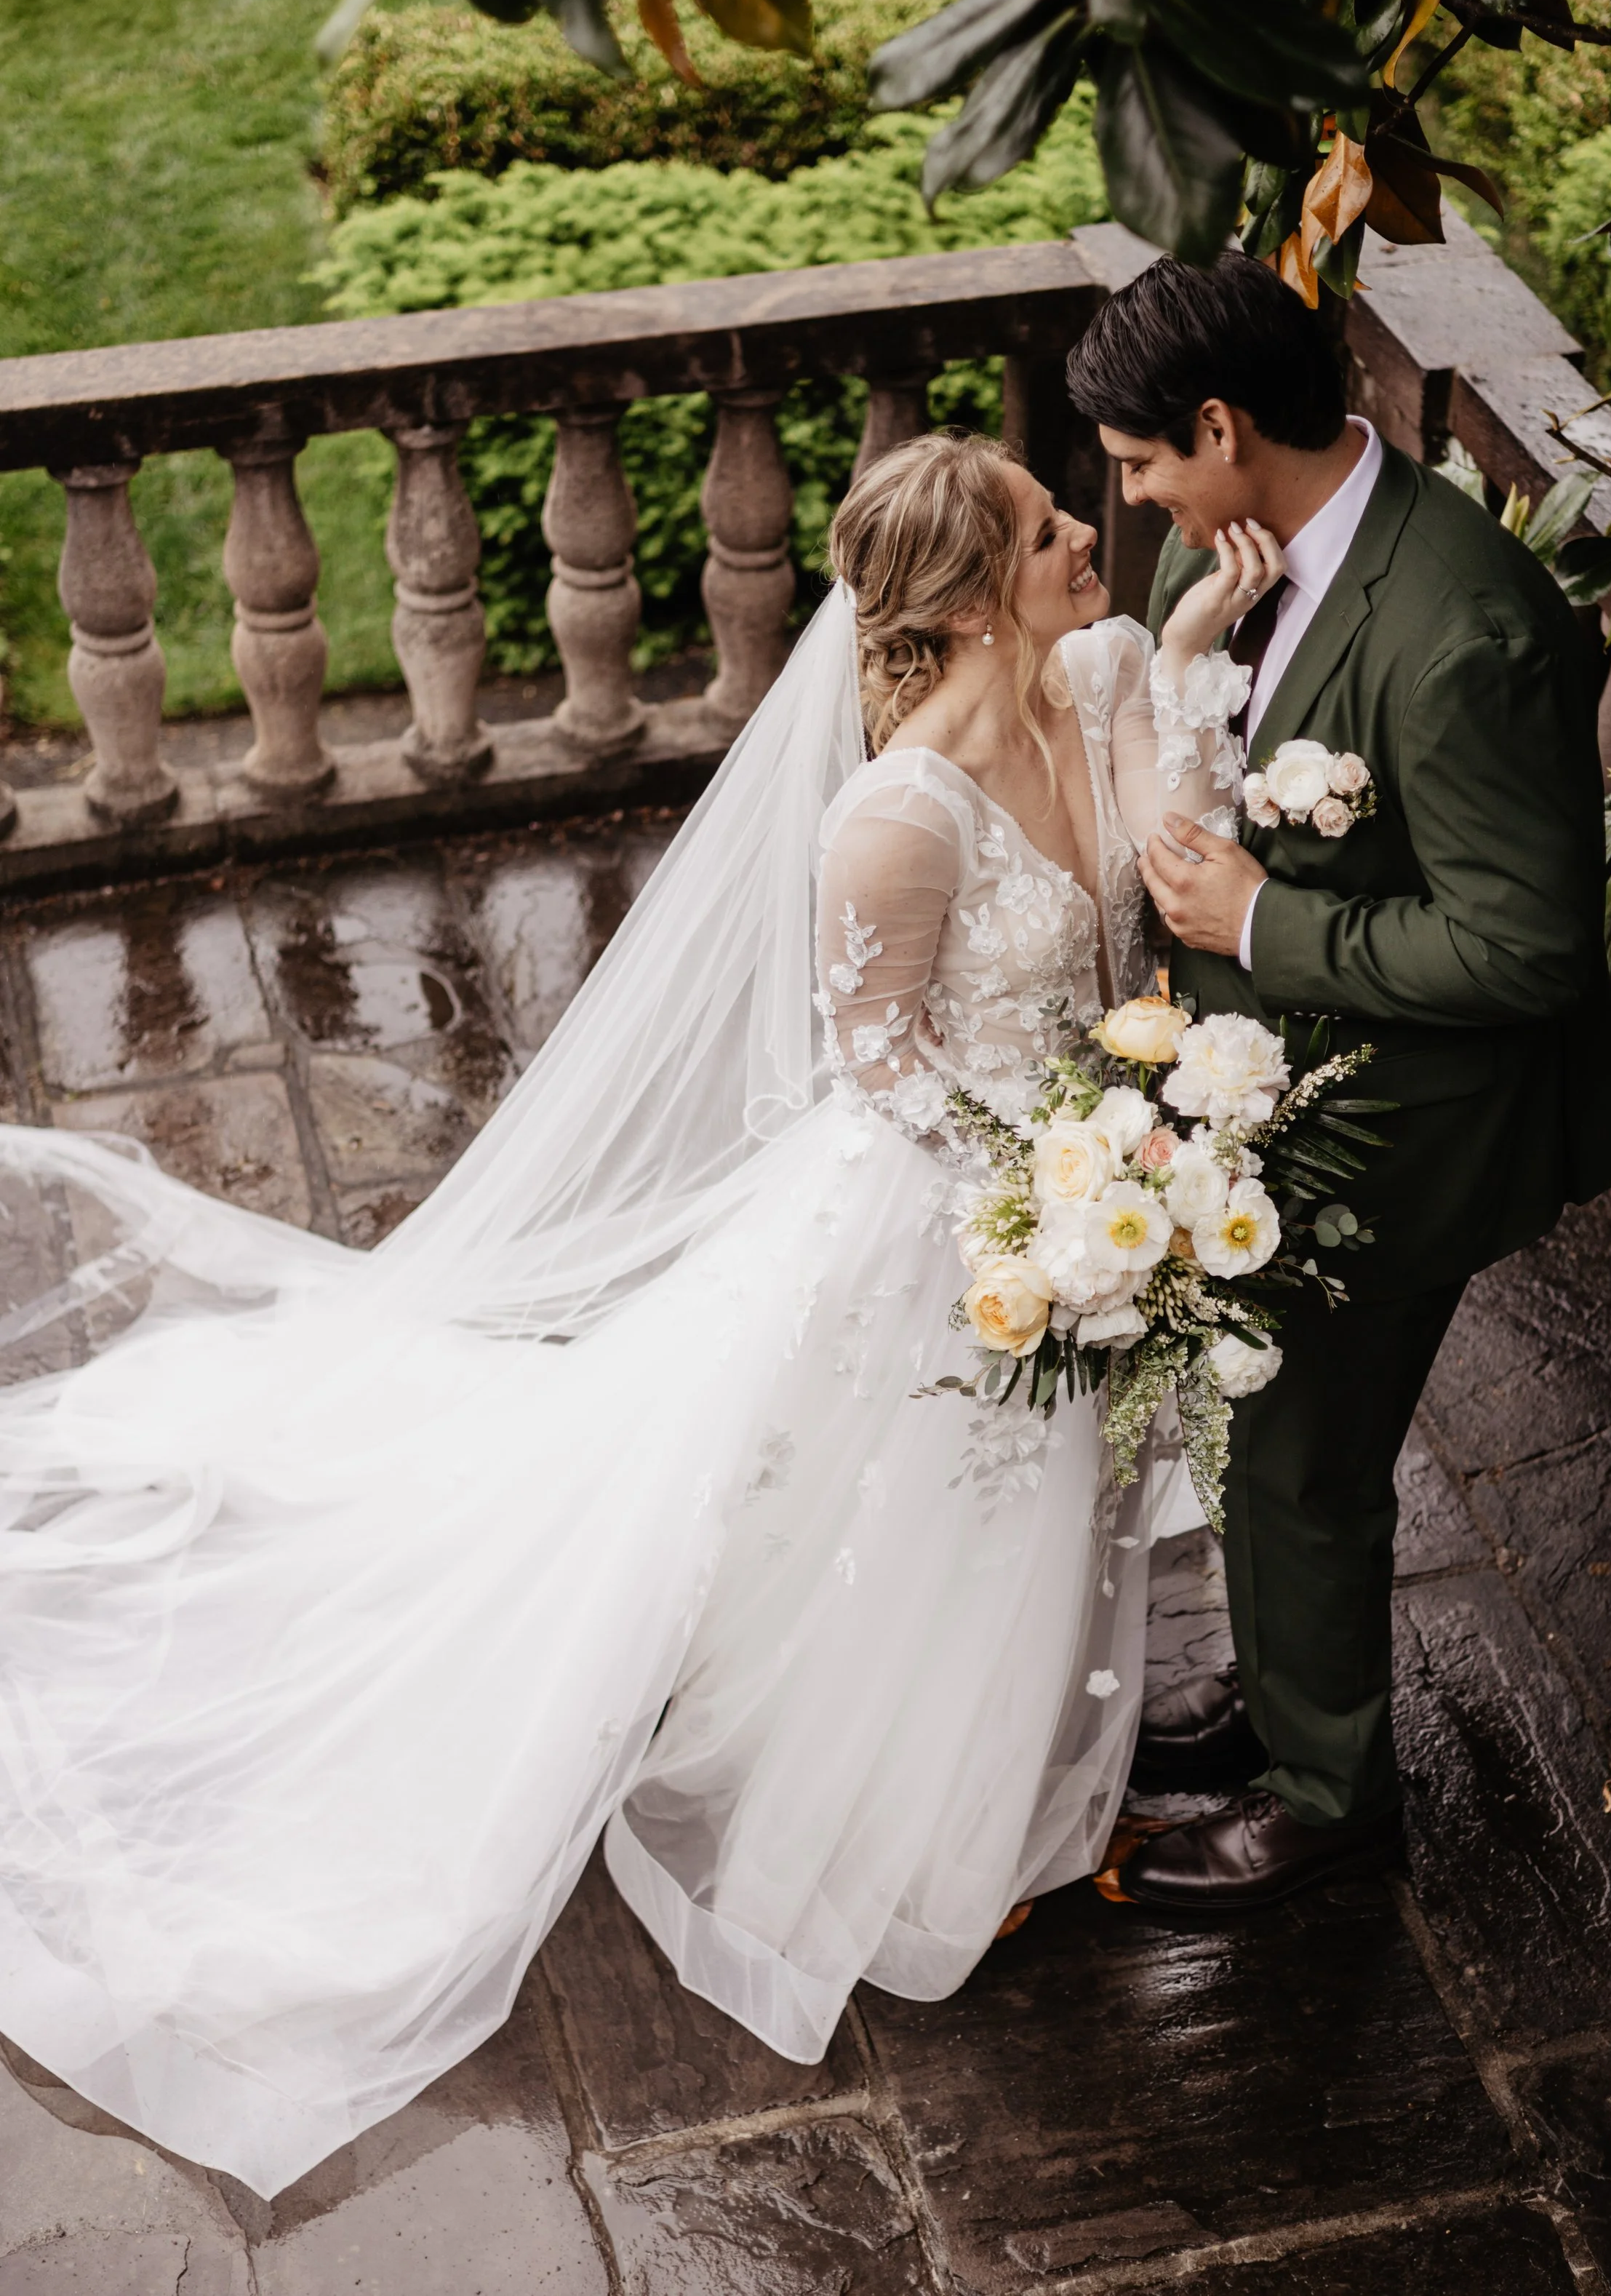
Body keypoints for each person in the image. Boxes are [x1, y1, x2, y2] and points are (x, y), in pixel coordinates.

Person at [0, 428, 1271, 2199]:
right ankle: (920, 1815)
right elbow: (878, 1068)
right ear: (977, 595)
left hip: (1077, 1186)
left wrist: (1196, 638)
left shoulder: (1098, 670)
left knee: (1051, 1494)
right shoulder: (893, 818)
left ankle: (1036, 1755)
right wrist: (1043, 1200)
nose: (1093, 534)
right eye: (1055, 530)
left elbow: (1163, 845)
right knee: (927, 1514)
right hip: (950, 1213)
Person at [1064, 252, 1611, 1918]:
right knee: (1258, 1426)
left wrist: (1262, 920)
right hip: (1275, 1087)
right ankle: (1289, 1688)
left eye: (1148, 459)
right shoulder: (1257, 555)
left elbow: (1526, 952)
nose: (1140, 498)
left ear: (1224, 427)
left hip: (1396, 1120)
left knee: (1299, 1448)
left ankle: (1326, 1795)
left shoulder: (1465, 630)